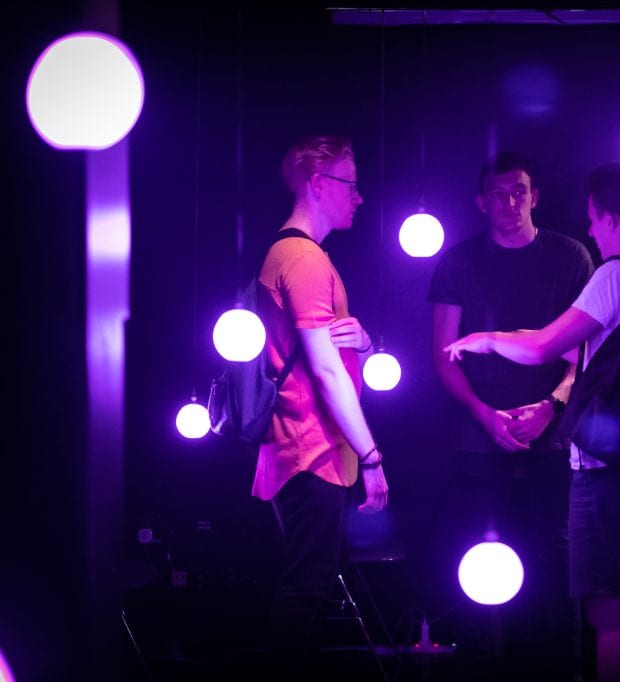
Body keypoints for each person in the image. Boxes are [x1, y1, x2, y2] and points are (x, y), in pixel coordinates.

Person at [445, 160, 620, 682]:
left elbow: (542, 348)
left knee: (609, 616)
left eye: (593, 219)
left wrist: (485, 339)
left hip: (606, 470)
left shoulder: (615, 274)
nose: (588, 229)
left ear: (608, 217)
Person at [428, 152, 594, 680]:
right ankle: (479, 664)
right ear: (481, 202)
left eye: (519, 191)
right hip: (480, 435)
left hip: (554, 433)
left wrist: (552, 405)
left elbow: (585, 351)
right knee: (476, 551)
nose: (510, 202)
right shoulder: (457, 262)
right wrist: (485, 416)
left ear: (535, 195)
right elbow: (443, 354)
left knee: (555, 553)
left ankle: (561, 669)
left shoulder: (570, 256)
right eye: (498, 194)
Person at [252, 135, 388, 677]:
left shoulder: (303, 257)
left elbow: (331, 356)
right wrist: (373, 458)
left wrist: (366, 343)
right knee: (305, 591)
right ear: (317, 185)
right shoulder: (303, 258)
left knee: (307, 588)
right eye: (350, 185)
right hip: (309, 449)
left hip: (309, 448)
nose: (359, 197)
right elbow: (326, 371)